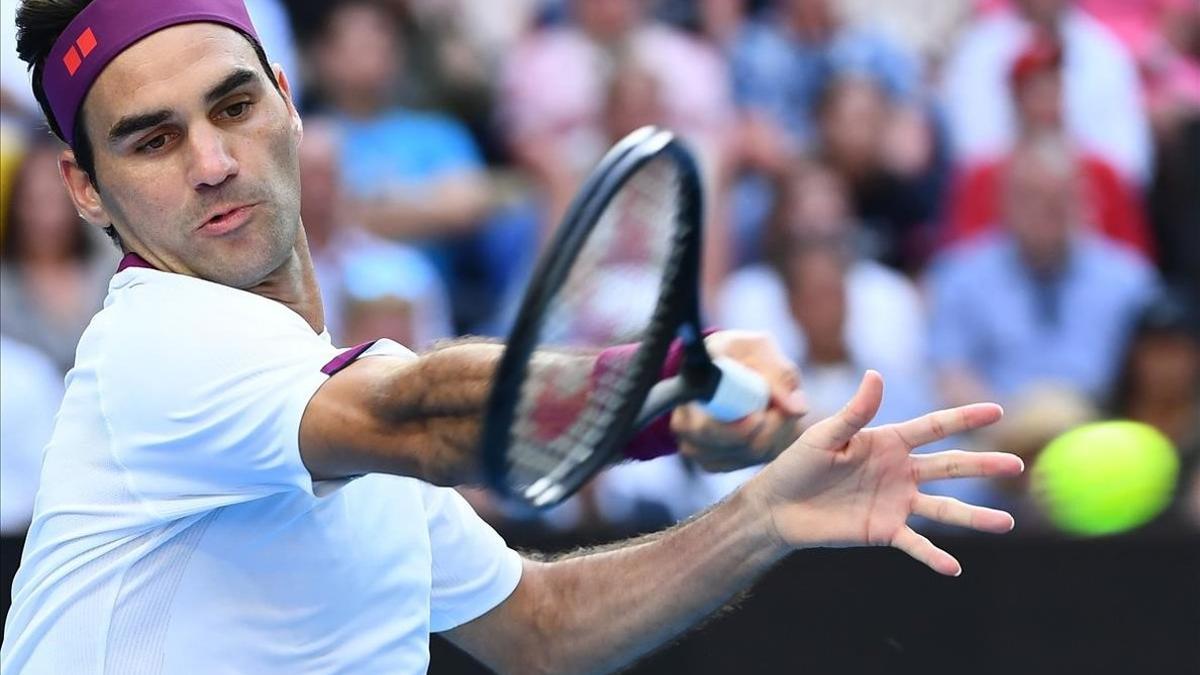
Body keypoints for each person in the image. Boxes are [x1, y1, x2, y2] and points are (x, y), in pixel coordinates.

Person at [1, 2, 1022, 673]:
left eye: (235, 104)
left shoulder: (316, 412)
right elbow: (421, 411)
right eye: (155, 139)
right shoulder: (157, 346)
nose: (214, 160)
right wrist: (672, 385)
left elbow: (541, 627)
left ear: (286, 97)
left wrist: (761, 516)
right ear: (85, 188)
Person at [927, 134, 1159, 408]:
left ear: (1083, 200)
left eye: (1058, 199)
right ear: (1003, 201)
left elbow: (1157, 374)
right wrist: (1020, 426)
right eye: (1031, 197)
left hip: (1105, 427)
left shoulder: (1129, 280)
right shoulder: (958, 277)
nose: (1044, 212)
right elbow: (949, 374)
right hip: (996, 435)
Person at [0, 138, 117, 372]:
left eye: (55, 200)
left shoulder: (111, 270)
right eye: (33, 200)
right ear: (16, 205)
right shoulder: (5, 289)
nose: (47, 217)